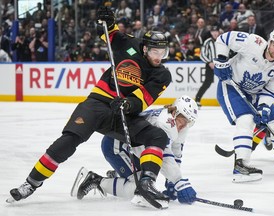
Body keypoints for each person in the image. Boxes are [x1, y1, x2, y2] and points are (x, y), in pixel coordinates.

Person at [7, 6, 172, 209]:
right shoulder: (129, 43)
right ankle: (30, 183)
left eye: (163, 53)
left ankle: (146, 183)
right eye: (155, 52)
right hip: (97, 104)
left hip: (122, 113)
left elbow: (144, 98)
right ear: (145, 48)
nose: (159, 57)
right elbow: (107, 33)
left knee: (157, 136)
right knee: (68, 141)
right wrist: (106, 21)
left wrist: (129, 104)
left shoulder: (162, 74)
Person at [71, 95, 198, 206]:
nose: (183, 126)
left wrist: (172, 181)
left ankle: (117, 175)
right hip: (117, 146)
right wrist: (178, 182)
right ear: (175, 112)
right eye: (182, 121)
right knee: (137, 189)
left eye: (187, 123)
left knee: (145, 178)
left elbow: (176, 151)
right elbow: (163, 156)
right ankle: (95, 180)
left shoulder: (177, 123)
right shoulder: (164, 122)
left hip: (134, 146)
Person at [213, 27, 274, 183]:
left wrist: (264, 107)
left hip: (255, 93)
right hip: (231, 86)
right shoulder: (253, 42)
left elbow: (271, 89)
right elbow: (224, 39)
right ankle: (241, 166)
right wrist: (221, 60)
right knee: (246, 120)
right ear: (270, 41)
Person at [195, 26, 220, 107]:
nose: (215, 33)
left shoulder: (221, 41)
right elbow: (202, 55)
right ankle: (197, 99)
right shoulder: (207, 42)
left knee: (226, 82)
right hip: (210, 65)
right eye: (213, 31)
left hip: (221, 65)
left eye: (216, 31)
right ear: (211, 33)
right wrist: (209, 62)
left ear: (218, 32)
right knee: (207, 82)